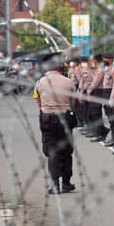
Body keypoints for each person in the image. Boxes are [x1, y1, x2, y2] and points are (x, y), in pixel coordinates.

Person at [33, 53, 77, 195]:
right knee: (66, 152)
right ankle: (66, 183)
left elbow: (38, 101)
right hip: (65, 119)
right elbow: (73, 103)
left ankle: (55, 185)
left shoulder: (40, 82)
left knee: (52, 153)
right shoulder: (69, 82)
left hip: (48, 120)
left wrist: (45, 110)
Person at [101, 52, 114, 148]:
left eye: (106, 58)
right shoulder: (106, 68)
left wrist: (112, 98)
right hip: (106, 93)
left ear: (111, 59)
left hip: (111, 93)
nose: (104, 60)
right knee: (109, 117)